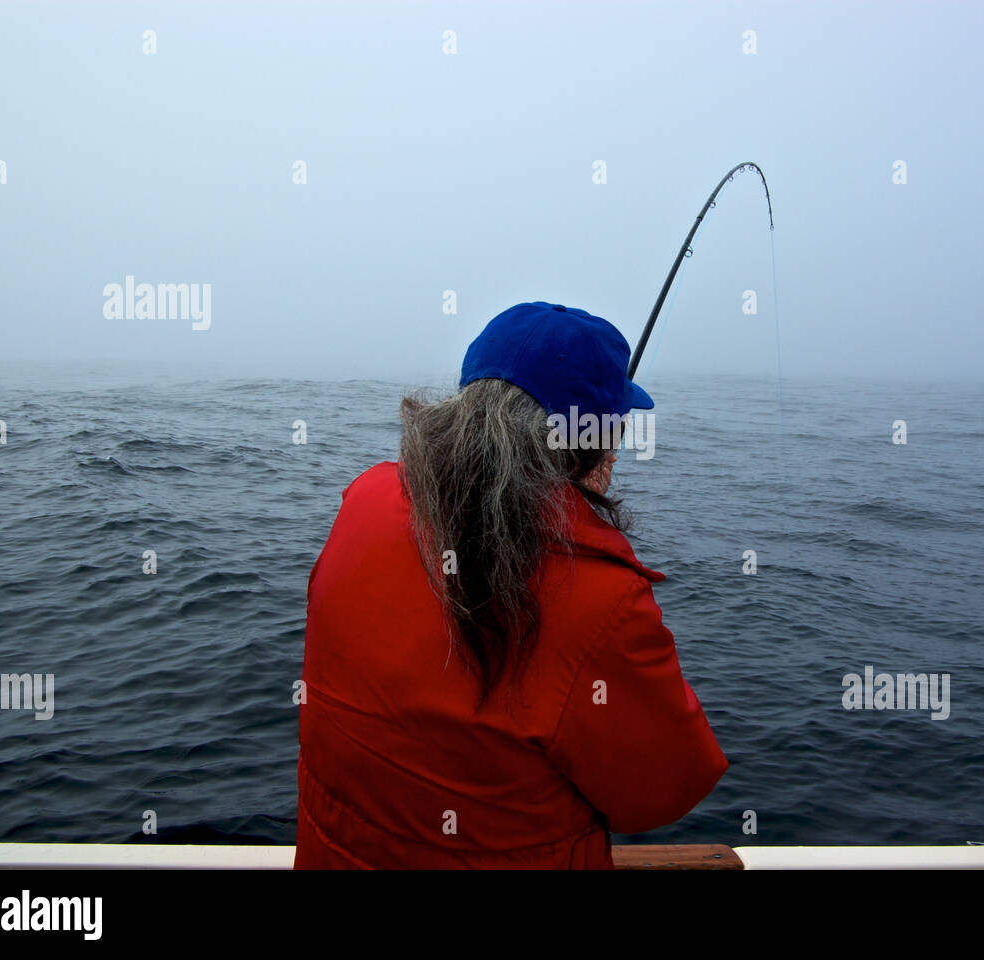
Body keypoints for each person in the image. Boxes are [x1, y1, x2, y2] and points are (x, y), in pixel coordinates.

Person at [294, 301, 728, 868]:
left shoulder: (362, 502)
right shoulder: (601, 599)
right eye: (616, 426)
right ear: (585, 442)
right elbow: (667, 789)